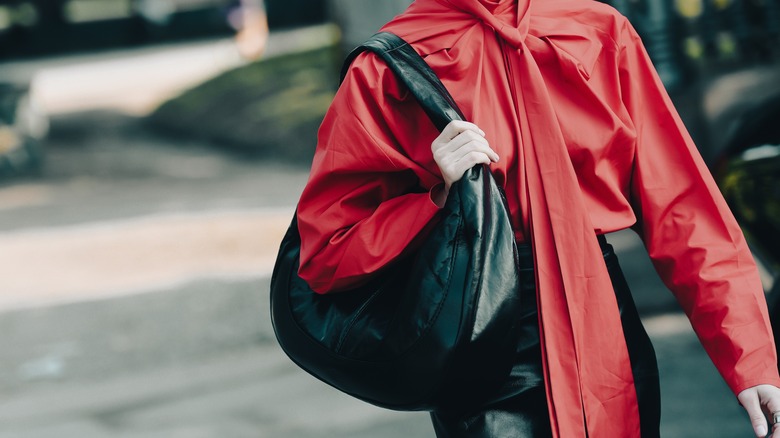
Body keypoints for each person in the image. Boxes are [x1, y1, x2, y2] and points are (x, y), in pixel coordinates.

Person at [294, 0, 780, 436]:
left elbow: (682, 209)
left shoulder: (598, 32)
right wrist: (437, 197)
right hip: (484, 328)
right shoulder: (387, 68)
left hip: (606, 324)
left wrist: (751, 360)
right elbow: (328, 251)